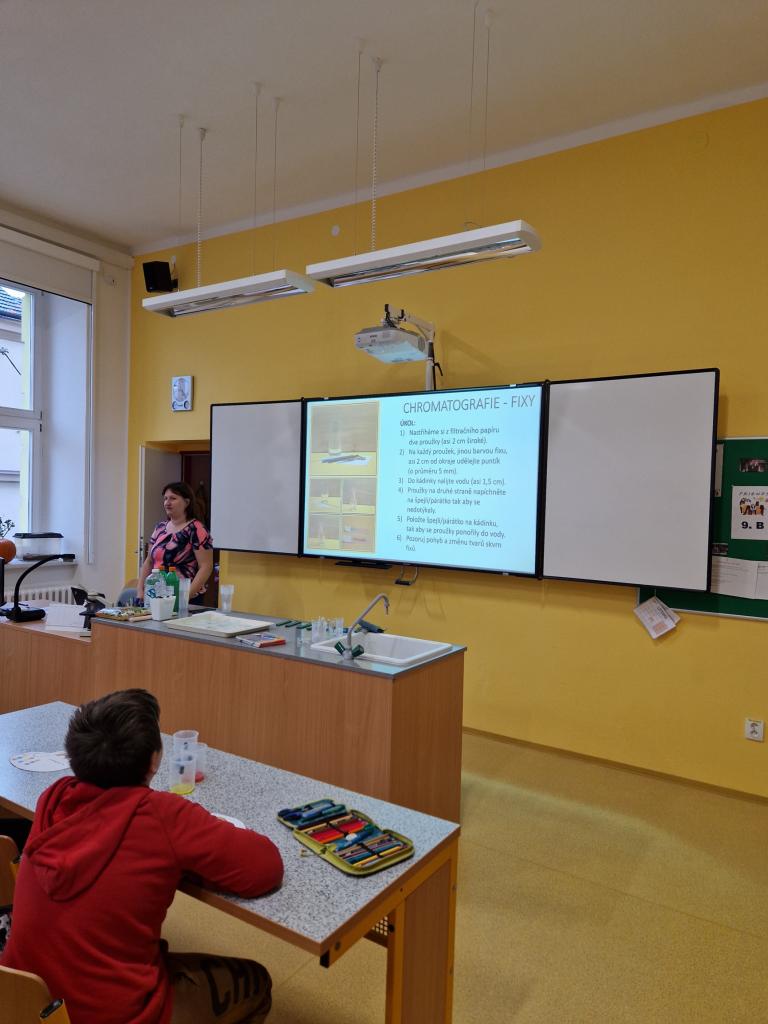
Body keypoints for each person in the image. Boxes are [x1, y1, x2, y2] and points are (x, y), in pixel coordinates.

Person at [1, 689, 283, 1024]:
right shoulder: (161, 815)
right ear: (154, 761)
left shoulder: (53, 798)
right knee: (256, 981)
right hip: (115, 1014)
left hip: (25, 1001)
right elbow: (265, 868)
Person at [138, 481, 213, 604]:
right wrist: (140, 590)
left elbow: (206, 566)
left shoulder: (196, 529)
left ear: (187, 502)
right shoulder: (160, 528)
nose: (167, 502)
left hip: (185, 598)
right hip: (156, 594)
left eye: (173, 498)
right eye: (165, 498)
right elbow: (149, 561)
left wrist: (185, 597)